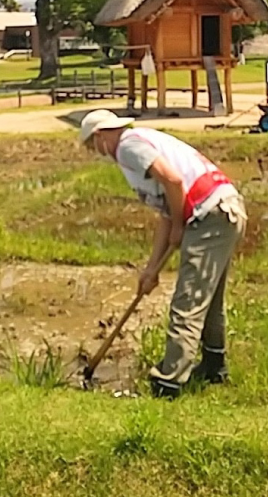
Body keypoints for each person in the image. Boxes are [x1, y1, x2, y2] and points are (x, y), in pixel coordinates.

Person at [78, 109, 248, 399]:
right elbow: (167, 212)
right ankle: (213, 367)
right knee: (209, 299)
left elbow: (173, 182)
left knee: (188, 302)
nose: (97, 153)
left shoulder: (128, 145)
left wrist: (181, 225)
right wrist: (151, 268)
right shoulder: (141, 143)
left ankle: (167, 383)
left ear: (100, 136)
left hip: (210, 214)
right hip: (222, 210)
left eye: (93, 147)